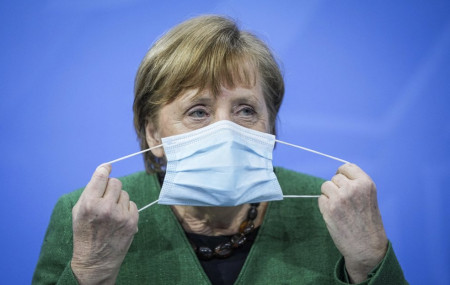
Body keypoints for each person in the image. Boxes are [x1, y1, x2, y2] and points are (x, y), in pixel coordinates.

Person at [33, 15, 408, 284]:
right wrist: (92, 271)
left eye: (246, 110)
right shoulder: (87, 219)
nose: (225, 130)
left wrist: (369, 260)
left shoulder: (331, 213)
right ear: (153, 135)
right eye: (199, 111)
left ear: (270, 127)